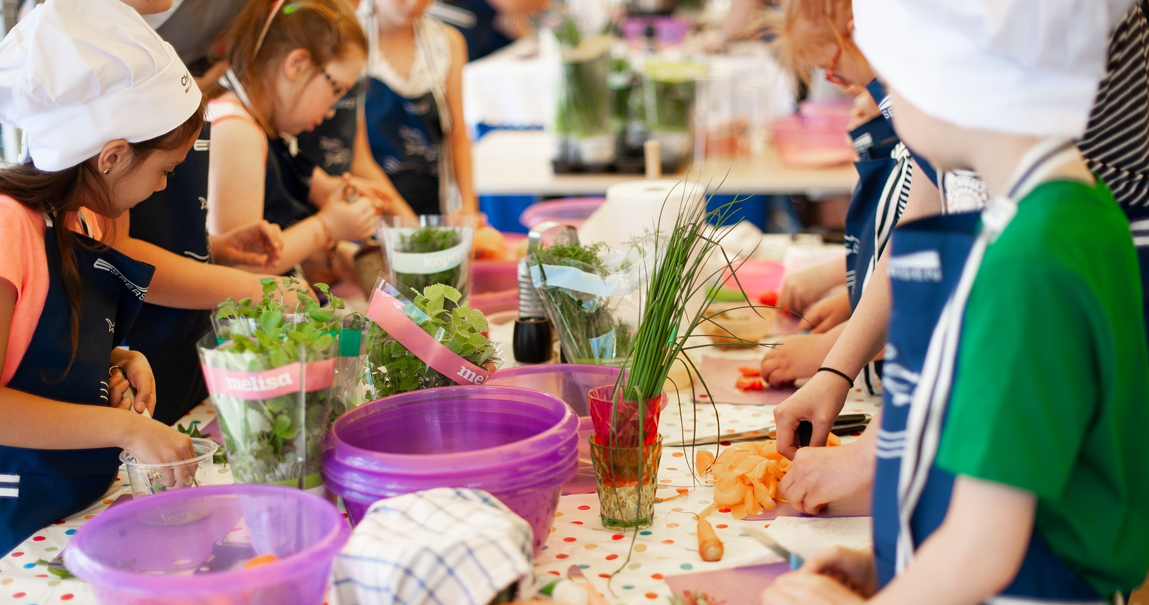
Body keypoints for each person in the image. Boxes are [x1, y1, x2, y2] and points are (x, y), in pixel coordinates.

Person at [762, 1, 1148, 603]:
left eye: (896, 80)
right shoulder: (1071, 214)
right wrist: (896, 569)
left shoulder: (1030, 264)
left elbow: (981, 552)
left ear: (946, 80)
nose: (888, 105)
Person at [0, 0, 201, 553]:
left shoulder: (81, 222)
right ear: (112, 157)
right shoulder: (9, 228)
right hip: (14, 528)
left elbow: (30, 359)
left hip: (76, 510)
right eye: (164, 172)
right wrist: (126, 428)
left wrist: (112, 360)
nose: (162, 189)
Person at [758, 0, 929, 393]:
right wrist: (856, 300)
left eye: (832, 68)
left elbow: (921, 299)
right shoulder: (914, 135)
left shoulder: (926, 140)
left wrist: (828, 354)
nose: (840, 84)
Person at [209, 0, 381, 283]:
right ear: (297, 65)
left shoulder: (264, 129)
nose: (330, 111)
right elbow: (242, 267)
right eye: (337, 89)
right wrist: (328, 225)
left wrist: (340, 254)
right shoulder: (237, 131)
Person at [357, 0, 479, 216]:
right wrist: (407, 223)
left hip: (436, 202)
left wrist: (468, 207)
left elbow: (458, 134)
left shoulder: (447, 42)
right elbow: (358, 157)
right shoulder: (352, 41)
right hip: (371, 210)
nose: (413, 3)